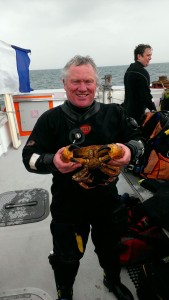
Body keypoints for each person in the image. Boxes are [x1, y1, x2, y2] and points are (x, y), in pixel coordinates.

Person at [22, 55, 144, 300]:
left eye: (88, 81)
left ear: (96, 84)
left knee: (110, 248)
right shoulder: (50, 120)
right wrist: (51, 161)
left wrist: (130, 150)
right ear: (64, 84)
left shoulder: (115, 113)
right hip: (68, 203)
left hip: (107, 200)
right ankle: (64, 291)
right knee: (66, 255)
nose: (82, 88)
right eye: (75, 82)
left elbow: (140, 140)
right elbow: (29, 157)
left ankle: (111, 279)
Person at [123, 44, 157, 125]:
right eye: (148, 55)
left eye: (151, 55)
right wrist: (154, 110)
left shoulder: (129, 70)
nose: (150, 58)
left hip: (126, 112)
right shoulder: (142, 72)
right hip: (137, 115)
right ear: (139, 56)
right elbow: (146, 96)